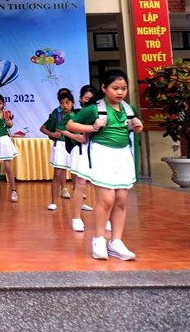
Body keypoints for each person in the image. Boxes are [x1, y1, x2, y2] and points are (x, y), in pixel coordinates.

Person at [66, 70, 143, 260]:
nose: (120, 92)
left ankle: (116, 242)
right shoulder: (94, 109)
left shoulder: (128, 109)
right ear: (104, 88)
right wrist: (92, 127)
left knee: (121, 200)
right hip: (102, 154)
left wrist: (137, 126)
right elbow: (70, 125)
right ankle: (99, 240)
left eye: (123, 88)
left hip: (123, 155)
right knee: (107, 199)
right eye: (115, 88)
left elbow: (131, 127)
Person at [64, 84, 99, 232]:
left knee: (101, 185)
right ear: (80, 99)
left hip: (99, 149)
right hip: (82, 150)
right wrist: (77, 136)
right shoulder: (80, 112)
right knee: (80, 183)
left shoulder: (101, 110)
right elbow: (64, 126)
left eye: (91, 98)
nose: (88, 101)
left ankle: (105, 218)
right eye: (86, 98)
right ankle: (76, 218)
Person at [41, 90, 76, 210]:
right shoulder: (57, 115)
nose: (64, 105)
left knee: (76, 176)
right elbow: (43, 128)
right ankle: (53, 202)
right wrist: (52, 134)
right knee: (57, 175)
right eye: (62, 103)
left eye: (67, 102)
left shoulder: (77, 115)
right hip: (60, 146)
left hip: (74, 146)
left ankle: (80, 203)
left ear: (73, 103)